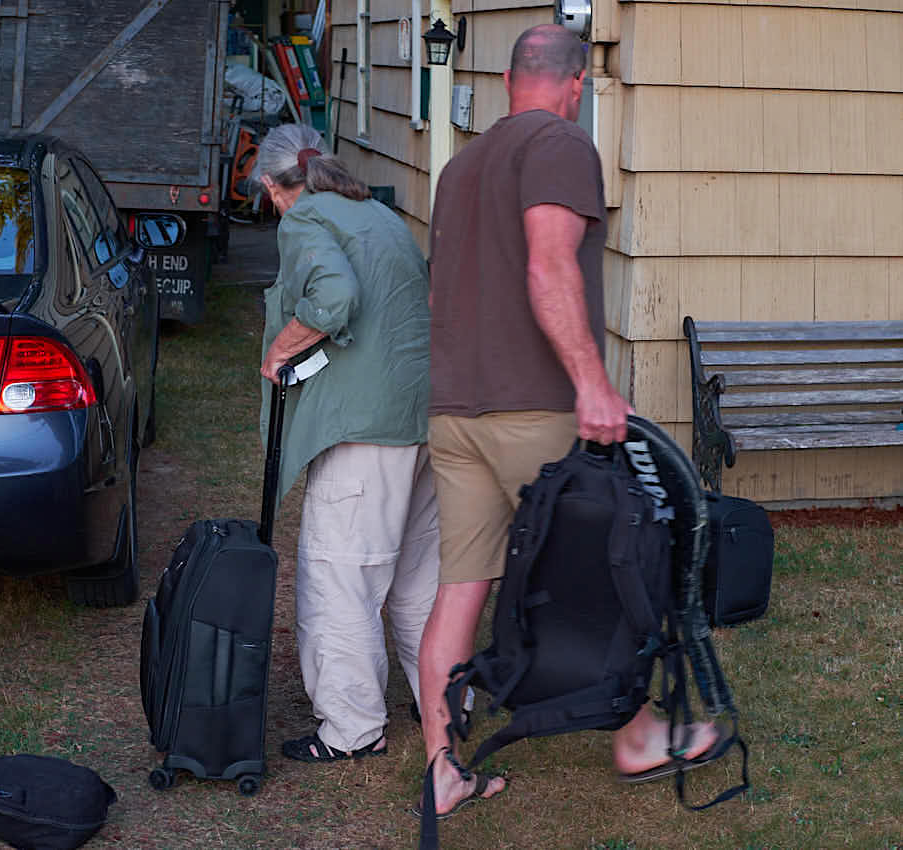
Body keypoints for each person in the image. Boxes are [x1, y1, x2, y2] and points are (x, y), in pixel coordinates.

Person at [416, 24, 724, 816]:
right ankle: (636, 735)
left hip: (454, 411)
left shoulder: (460, 167)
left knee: (460, 589)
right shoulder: (558, 145)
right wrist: (591, 383)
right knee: (608, 570)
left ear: (509, 78)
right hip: (534, 406)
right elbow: (547, 265)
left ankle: (443, 768)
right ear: (575, 84)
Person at [255, 123, 438, 763]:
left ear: (278, 186)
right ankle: (444, 699)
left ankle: (352, 729)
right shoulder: (379, 214)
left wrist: (280, 350)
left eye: (269, 196)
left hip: (363, 432)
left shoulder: (304, 218)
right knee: (419, 577)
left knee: (340, 578)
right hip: (421, 420)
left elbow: (335, 297)